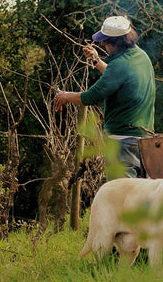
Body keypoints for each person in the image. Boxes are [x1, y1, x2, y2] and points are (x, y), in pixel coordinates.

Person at [54, 16, 156, 178]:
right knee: (141, 195)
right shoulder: (140, 56)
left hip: (122, 140)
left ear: (117, 42)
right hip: (146, 139)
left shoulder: (119, 65)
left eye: (105, 41)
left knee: (121, 196)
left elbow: (91, 97)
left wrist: (65, 95)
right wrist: (95, 60)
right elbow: (119, 78)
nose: (102, 44)